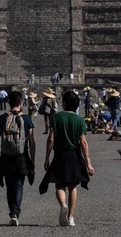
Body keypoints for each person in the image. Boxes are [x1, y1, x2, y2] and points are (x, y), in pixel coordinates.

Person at [40, 91, 95, 227]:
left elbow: (51, 139)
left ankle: (63, 204)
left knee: (59, 185)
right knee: (73, 186)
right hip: (74, 154)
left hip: (59, 154)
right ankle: (70, 217)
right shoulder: (79, 119)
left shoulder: (56, 117)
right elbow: (83, 142)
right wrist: (88, 163)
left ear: (64, 103)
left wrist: (47, 158)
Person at [0, 91, 36, 226]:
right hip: (21, 156)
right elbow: (31, 141)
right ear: (21, 103)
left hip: (6, 156)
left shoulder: (2, 118)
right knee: (19, 184)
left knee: (10, 185)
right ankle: (15, 212)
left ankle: (12, 211)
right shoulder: (26, 119)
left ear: (9, 103)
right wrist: (32, 159)